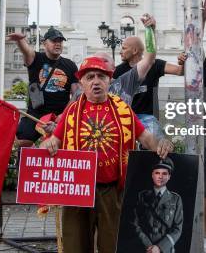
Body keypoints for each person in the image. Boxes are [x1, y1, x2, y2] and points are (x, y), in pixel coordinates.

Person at [40, 56, 173, 253]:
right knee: (74, 247)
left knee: (112, 246)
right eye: (90, 77)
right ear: (82, 83)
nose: (96, 81)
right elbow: (53, 143)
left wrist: (162, 143)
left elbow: (146, 138)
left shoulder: (123, 110)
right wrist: (49, 143)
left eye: (101, 76)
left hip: (112, 190)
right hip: (77, 190)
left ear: (109, 80)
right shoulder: (71, 111)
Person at [7, 27, 80, 147]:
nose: (58, 44)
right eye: (54, 41)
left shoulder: (70, 65)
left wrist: (64, 115)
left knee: (63, 145)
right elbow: (27, 51)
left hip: (59, 117)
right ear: (45, 43)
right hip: (35, 114)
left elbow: (76, 94)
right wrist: (20, 40)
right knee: (21, 141)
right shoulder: (36, 58)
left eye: (60, 41)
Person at [113, 35, 183, 138]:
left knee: (157, 143)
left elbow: (179, 71)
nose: (120, 51)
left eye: (124, 48)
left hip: (148, 118)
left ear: (135, 50)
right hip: (125, 118)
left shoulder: (155, 65)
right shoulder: (117, 71)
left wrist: (183, 61)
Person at [132, 157, 183, 253]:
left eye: (164, 173)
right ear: (152, 175)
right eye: (157, 173)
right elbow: (135, 224)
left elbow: (177, 229)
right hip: (145, 248)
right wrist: (149, 246)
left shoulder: (176, 199)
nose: (160, 177)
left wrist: (160, 247)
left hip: (165, 249)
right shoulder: (142, 196)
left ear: (169, 176)